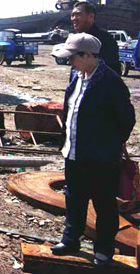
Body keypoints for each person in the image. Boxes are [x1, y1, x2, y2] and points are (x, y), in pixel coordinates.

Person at [50, 33, 135, 267]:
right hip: (74, 153)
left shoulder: (110, 82)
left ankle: (104, 250)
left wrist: (108, 145)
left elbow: (126, 119)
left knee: (104, 204)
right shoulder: (77, 77)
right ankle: (70, 241)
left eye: (73, 57)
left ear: (88, 55)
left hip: (101, 158)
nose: (70, 61)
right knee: (74, 200)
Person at [70, 1, 120, 75]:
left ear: (91, 16)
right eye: (72, 15)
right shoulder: (76, 38)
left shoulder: (105, 39)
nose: (74, 18)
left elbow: (113, 70)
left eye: (78, 15)